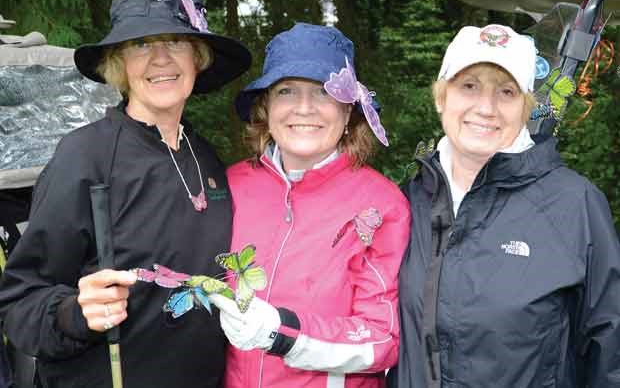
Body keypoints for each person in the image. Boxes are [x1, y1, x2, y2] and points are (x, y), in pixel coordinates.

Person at [0, 0, 251, 388]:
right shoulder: (85, 157)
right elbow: (20, 299)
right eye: (140, 45)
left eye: (175, 42)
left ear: (198, 57)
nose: (160, 59)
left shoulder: (207, 159)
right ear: (120, 63)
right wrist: (74, 313)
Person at [389, 24, 620, 387]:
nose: (486, 107)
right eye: (469, 86)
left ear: (526, 106)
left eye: (506, 92)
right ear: (441, 97)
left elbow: (611, 352)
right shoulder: (406, 201)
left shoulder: (575, 205)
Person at [207, 22, 411, 388]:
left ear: (349, 112)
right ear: (265, 107)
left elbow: (383, 339)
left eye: (323, 92)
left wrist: (282, 332)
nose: (304, 108)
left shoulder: (381, 204)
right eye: (286, 91)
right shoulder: (230, 185)